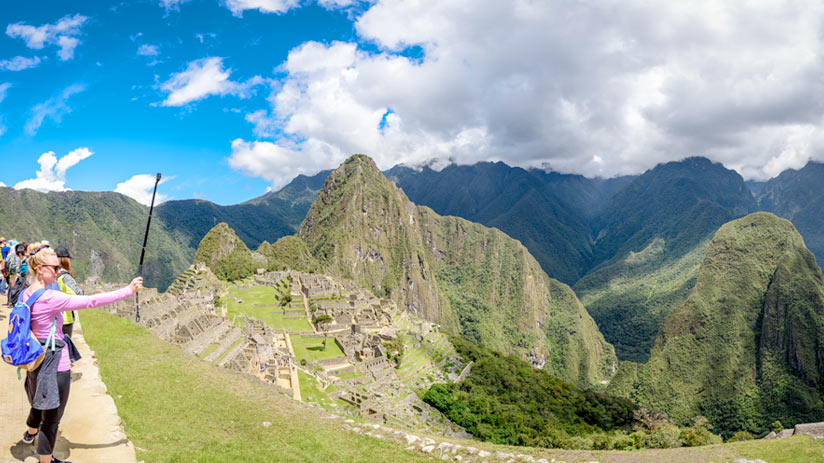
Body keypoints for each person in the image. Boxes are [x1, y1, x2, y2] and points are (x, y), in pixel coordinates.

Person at [20, 248, 142, 463]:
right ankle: (46, 460)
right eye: (55, 268)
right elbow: (90, 302)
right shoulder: (51, 298)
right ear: (40, 269)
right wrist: (128, 290)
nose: (58, 272)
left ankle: (30, 432)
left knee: (39, 401)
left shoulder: (26, 293)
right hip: (55, 363)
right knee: (51, 417)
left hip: (34, 359)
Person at [54, 246, 83, 338]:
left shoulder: (50, 273)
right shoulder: (65, 276)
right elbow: (78, 294)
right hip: (64, 319)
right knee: (64, 348)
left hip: (51, 317)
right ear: (64, 260)